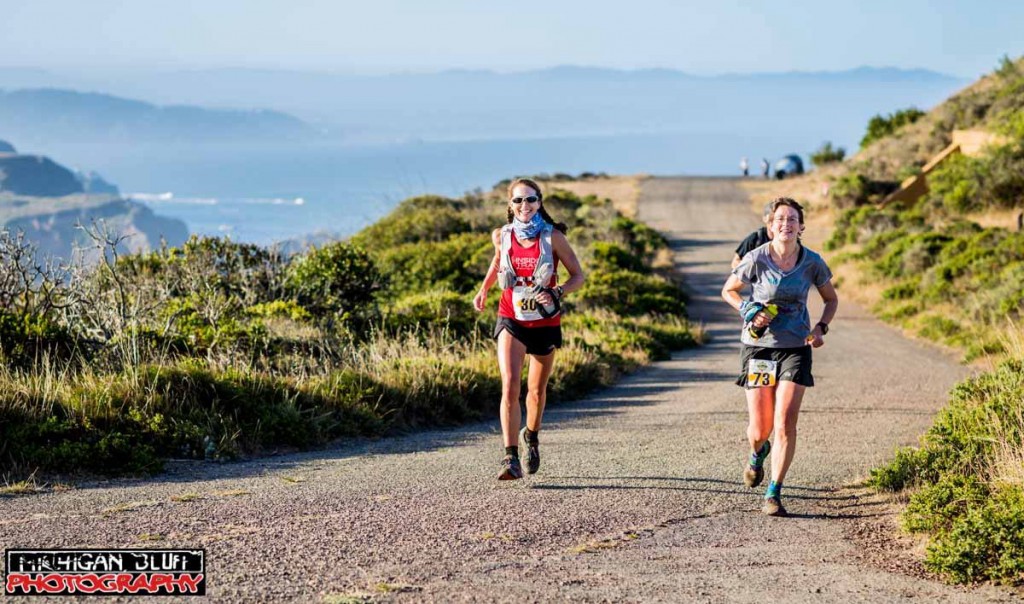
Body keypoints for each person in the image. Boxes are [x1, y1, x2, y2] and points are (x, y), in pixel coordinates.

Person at [721, 197, 839, 516]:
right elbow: (728, 290)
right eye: (780, 219)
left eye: (792, 219)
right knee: (760, 429)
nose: (786, 224)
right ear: (770, 226)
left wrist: (820, 328)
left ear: (801, 227)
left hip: (795, 347)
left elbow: (830, 299)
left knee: (785, 421)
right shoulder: (757, 257)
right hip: (759, 347)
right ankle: (758, 453)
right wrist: (747, 308)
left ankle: (773, 492)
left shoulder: (812, 262)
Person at [474, 178, 585, 480]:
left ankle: (530, 437)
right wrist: (484, 290)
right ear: (509, 205)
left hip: (545, 319)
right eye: (518, 201)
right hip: (510, 315)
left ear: (540, 202)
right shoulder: (502, 235)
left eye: (531, 200)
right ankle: (509, 459)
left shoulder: (554, 238)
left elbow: (578, 276)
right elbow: (498, 263)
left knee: (535, 392)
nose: (525, 206)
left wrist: (557, 292)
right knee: (510, 384)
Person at [730, 201, 775, 269]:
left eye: (777, 219)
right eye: (771, 220)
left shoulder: (790, 241)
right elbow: (735, 261)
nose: (773, 223)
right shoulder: (755, 239)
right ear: (764, 219)